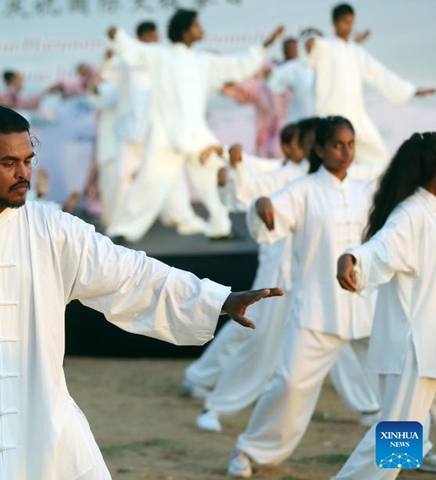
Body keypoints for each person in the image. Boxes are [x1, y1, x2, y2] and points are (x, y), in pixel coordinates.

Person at [0, 98, 283, 479]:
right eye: (9, 163)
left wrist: (217, 300)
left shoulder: (54, 229)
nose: (23, 173)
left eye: (28, 161)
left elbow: (132, 274)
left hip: (43, 424)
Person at [194, 120, 379, 433]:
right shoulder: (297, 184)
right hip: (292, 287)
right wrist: (239, 174)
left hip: (347, 298)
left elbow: (384, 234)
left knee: (386, 374)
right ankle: (232, 425)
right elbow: (251, 196)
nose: (345, 152)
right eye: (335, 144)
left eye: (350, 144)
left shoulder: (364, 189)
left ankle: (380, 421)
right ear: (317, 149)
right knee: (273, 358)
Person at [105, 10, 285, 240]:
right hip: (165, 135)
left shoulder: (203, 61)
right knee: (149, 184)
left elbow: (236, 65)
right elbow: (135, 52)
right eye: (197, 25)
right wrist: (118, 37)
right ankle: (123, 230)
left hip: (196, 134)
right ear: (186, 30)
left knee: (213, 176)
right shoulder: (161, 55)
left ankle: (221, 228)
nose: (202, 29)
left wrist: (263, 47)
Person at [331, 132, 436, 479]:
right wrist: (352, 259)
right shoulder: (412, 214)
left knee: (400, 446)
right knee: (395, 443)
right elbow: (379, 249)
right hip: (415, 350)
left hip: (427, 347)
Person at [307, 3, 435, 167]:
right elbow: (308, 47)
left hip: (357, 115)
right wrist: (309, 41)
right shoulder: (324, 46)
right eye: (345, 22)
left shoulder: (355, 51)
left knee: (380, 158)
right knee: (333, 161)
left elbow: (379, 74)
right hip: (332, 115)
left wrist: (412, 91)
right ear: (334, 23)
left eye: (351, 22)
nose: (349, 27)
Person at [92, 21, 161, 229]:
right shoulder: (124, 59)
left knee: (156, 177)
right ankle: (116, 223)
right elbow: (107, 84)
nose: (156, 40)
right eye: (153, 36)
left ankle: (143, 221)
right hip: (125, 131)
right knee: (119, 177)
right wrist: (99, 88)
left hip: (151, 130)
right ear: (144, 36)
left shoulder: (160, 59)